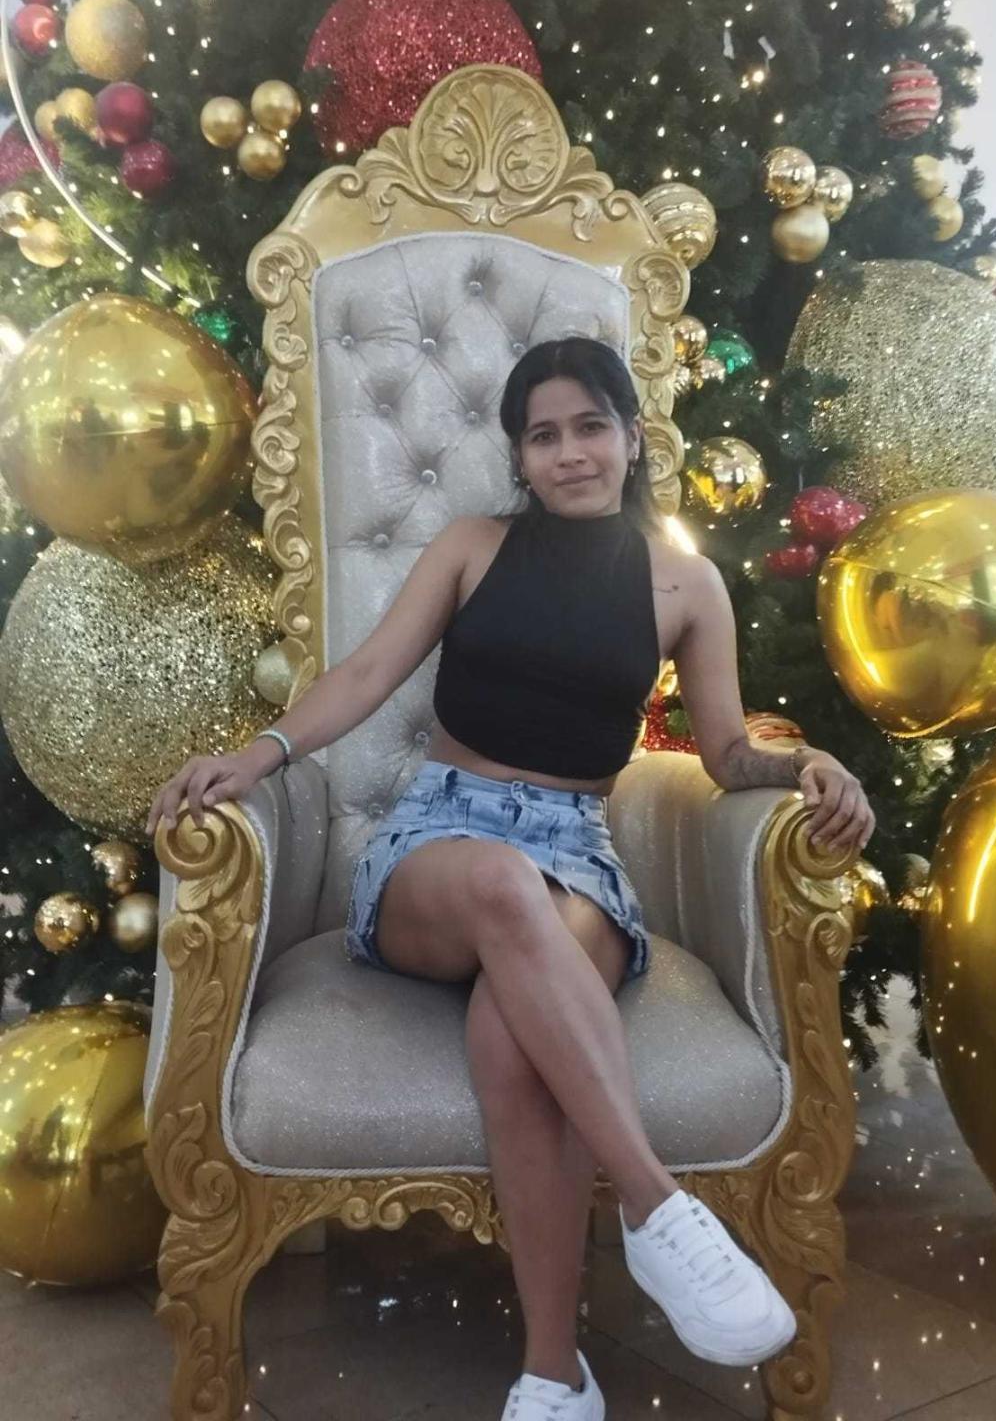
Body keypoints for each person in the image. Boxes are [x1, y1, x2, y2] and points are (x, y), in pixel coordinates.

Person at [146, 337, 875, 1421]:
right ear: (521, 458)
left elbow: (725, 753)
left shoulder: (686, 584)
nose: (570, 452)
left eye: (590, 427)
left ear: (632, 437)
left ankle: (553, 1376)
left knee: (512, 1038)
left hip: (577, 853)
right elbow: (365, 673)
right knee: (497, 885)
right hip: (442, 842)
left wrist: (802, 762)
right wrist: (259, 755)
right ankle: (659, 1209)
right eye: (543, 436)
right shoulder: (473, 547)